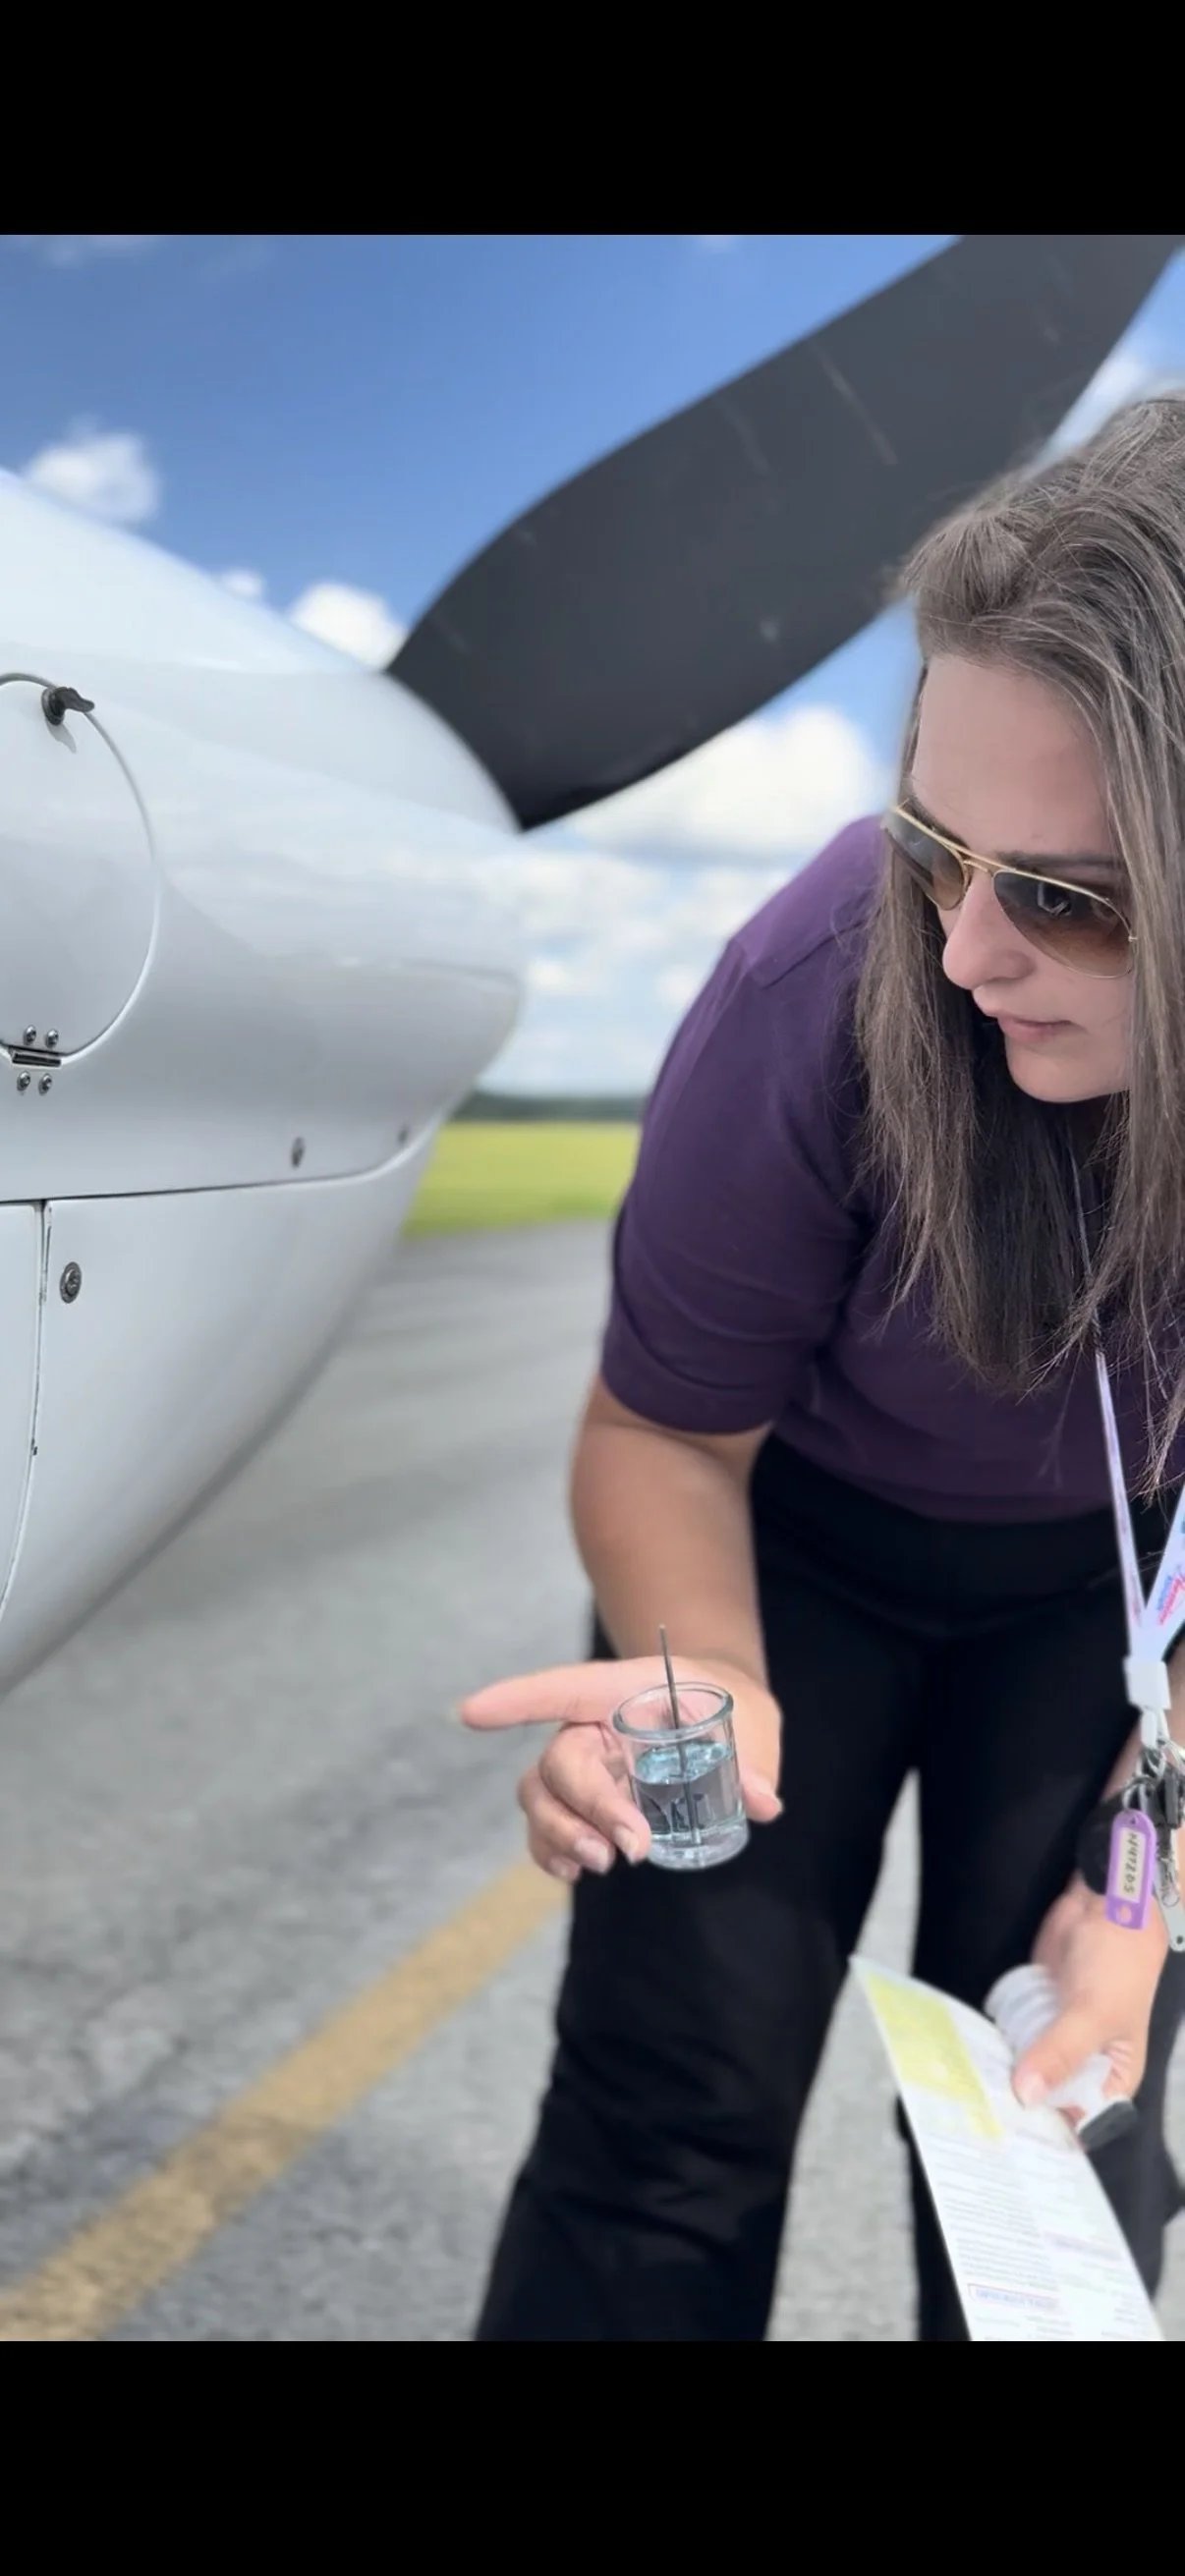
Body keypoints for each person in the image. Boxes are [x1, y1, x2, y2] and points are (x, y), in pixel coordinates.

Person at [461, 396, 1185, 2341]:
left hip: (1107, 1604)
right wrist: (695, 1683)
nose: (961, 954)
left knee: (1059, 2137)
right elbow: (661, 1427)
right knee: (670, 2103)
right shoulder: (822, 985)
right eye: (932, 846)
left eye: (1068, 895)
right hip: (785, 1548)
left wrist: (1143, 1902)